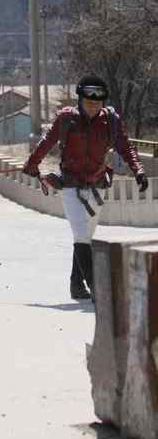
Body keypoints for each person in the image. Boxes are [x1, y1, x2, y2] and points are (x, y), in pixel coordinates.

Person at [22, 74, 148, 300]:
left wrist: (138, 170)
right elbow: (46, 142)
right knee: (81, 234)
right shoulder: (67, 119)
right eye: (89, 103)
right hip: (71, 186)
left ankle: (76, 284)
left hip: (97, 186)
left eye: (97, 104)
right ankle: (96, 289)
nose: (93, 108)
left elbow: (125, 147)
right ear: (80, 101)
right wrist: (32, 165)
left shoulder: (110, 120)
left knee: (85, 237)